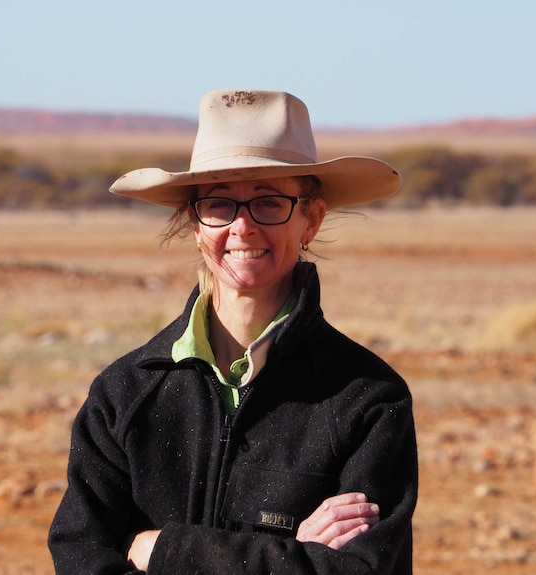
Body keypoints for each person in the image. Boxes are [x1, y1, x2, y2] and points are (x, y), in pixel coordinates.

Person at [48, 89, 418, 574]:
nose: (242, 227)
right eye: (220, 204)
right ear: (194, 221)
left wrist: (160, 551)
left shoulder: (367, 400)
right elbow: (80, 557)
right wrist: (294, 555)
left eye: (269, 203)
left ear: (311, 219)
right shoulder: (125, 393)